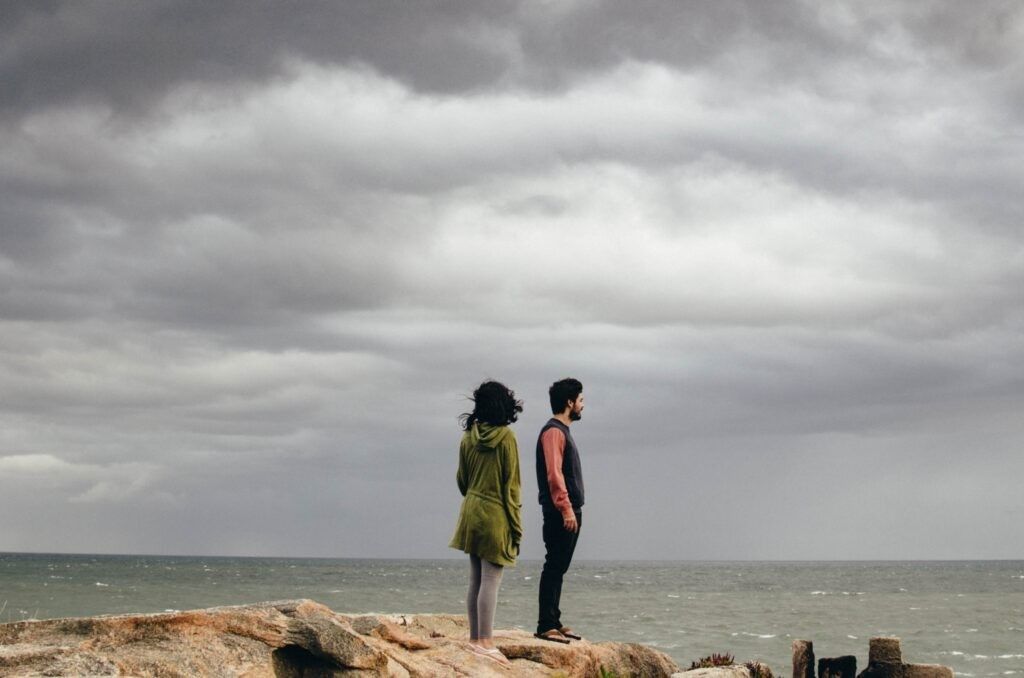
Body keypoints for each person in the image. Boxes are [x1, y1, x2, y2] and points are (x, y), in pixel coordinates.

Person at [449, 380, 523, 667]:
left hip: (470, 510)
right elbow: (512, 485)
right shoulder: (506, 437)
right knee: (491, 579)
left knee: (475, 578)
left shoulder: (468, 437)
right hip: (495, 512)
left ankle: (473, 639)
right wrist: (516, 525)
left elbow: (461, 481)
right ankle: (486, 642)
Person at [534, 377, 585, 643]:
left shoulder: (562, 431)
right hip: (559, 511)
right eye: (580, 400)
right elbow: (554, 475)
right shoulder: (554, 432)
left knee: (559, 567)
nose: (582, 405)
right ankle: (546, 624)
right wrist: (565, 508)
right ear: (569, 402)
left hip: (567, 509)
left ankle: (554, 618)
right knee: (554, 566)